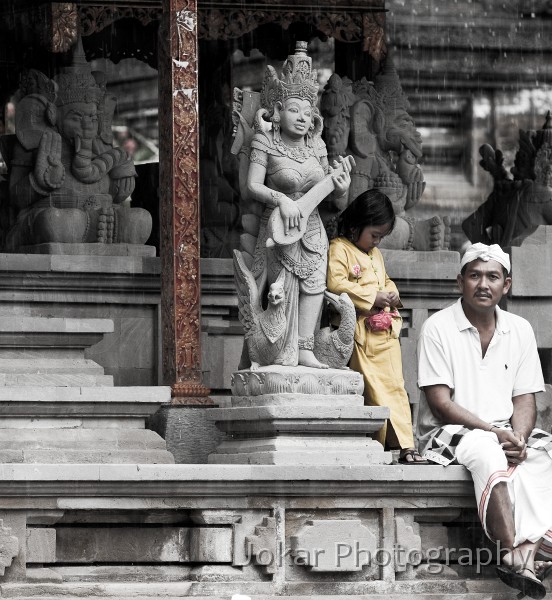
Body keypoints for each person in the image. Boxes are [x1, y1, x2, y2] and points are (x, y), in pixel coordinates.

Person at [417, 242, 552, 599]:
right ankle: (510, 552)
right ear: (459, 281)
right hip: (447, 433)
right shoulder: (437, 327)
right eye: (474, 275)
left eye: (493, 277)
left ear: (506, 285)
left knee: (547, 453)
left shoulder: (520, 329)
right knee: (488, 453)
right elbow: (441, 404)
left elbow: (525, 399)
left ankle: (529, 550)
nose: (483, 284)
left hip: (504, 430)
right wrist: (495, 433)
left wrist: (519, 438)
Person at [245, 42, 351, 369]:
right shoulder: (266, 141)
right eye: (294, 109)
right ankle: (281, 351)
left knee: (315, 284)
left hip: (314, 229)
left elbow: (333, 198)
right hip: (280, 228)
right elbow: (252, 186)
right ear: (278, 111)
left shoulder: (317, 146)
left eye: (308, 112)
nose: (302, 118)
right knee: (284, 288)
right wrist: (280, 199)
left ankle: (305, 349)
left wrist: (342, 189)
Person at [326, 189, 426, 463]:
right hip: (360, 333)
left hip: (385, 334)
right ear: (357, 224)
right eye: (374, 235)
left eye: (381, 237)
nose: (377, 241)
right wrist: (373, 297)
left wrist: (391, 293)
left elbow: (385, 280)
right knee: (375, 389)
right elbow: (334, 284)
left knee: (396, 386)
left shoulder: (376, 253)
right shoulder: (339, 248)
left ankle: (407, 445)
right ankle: (383, 446)